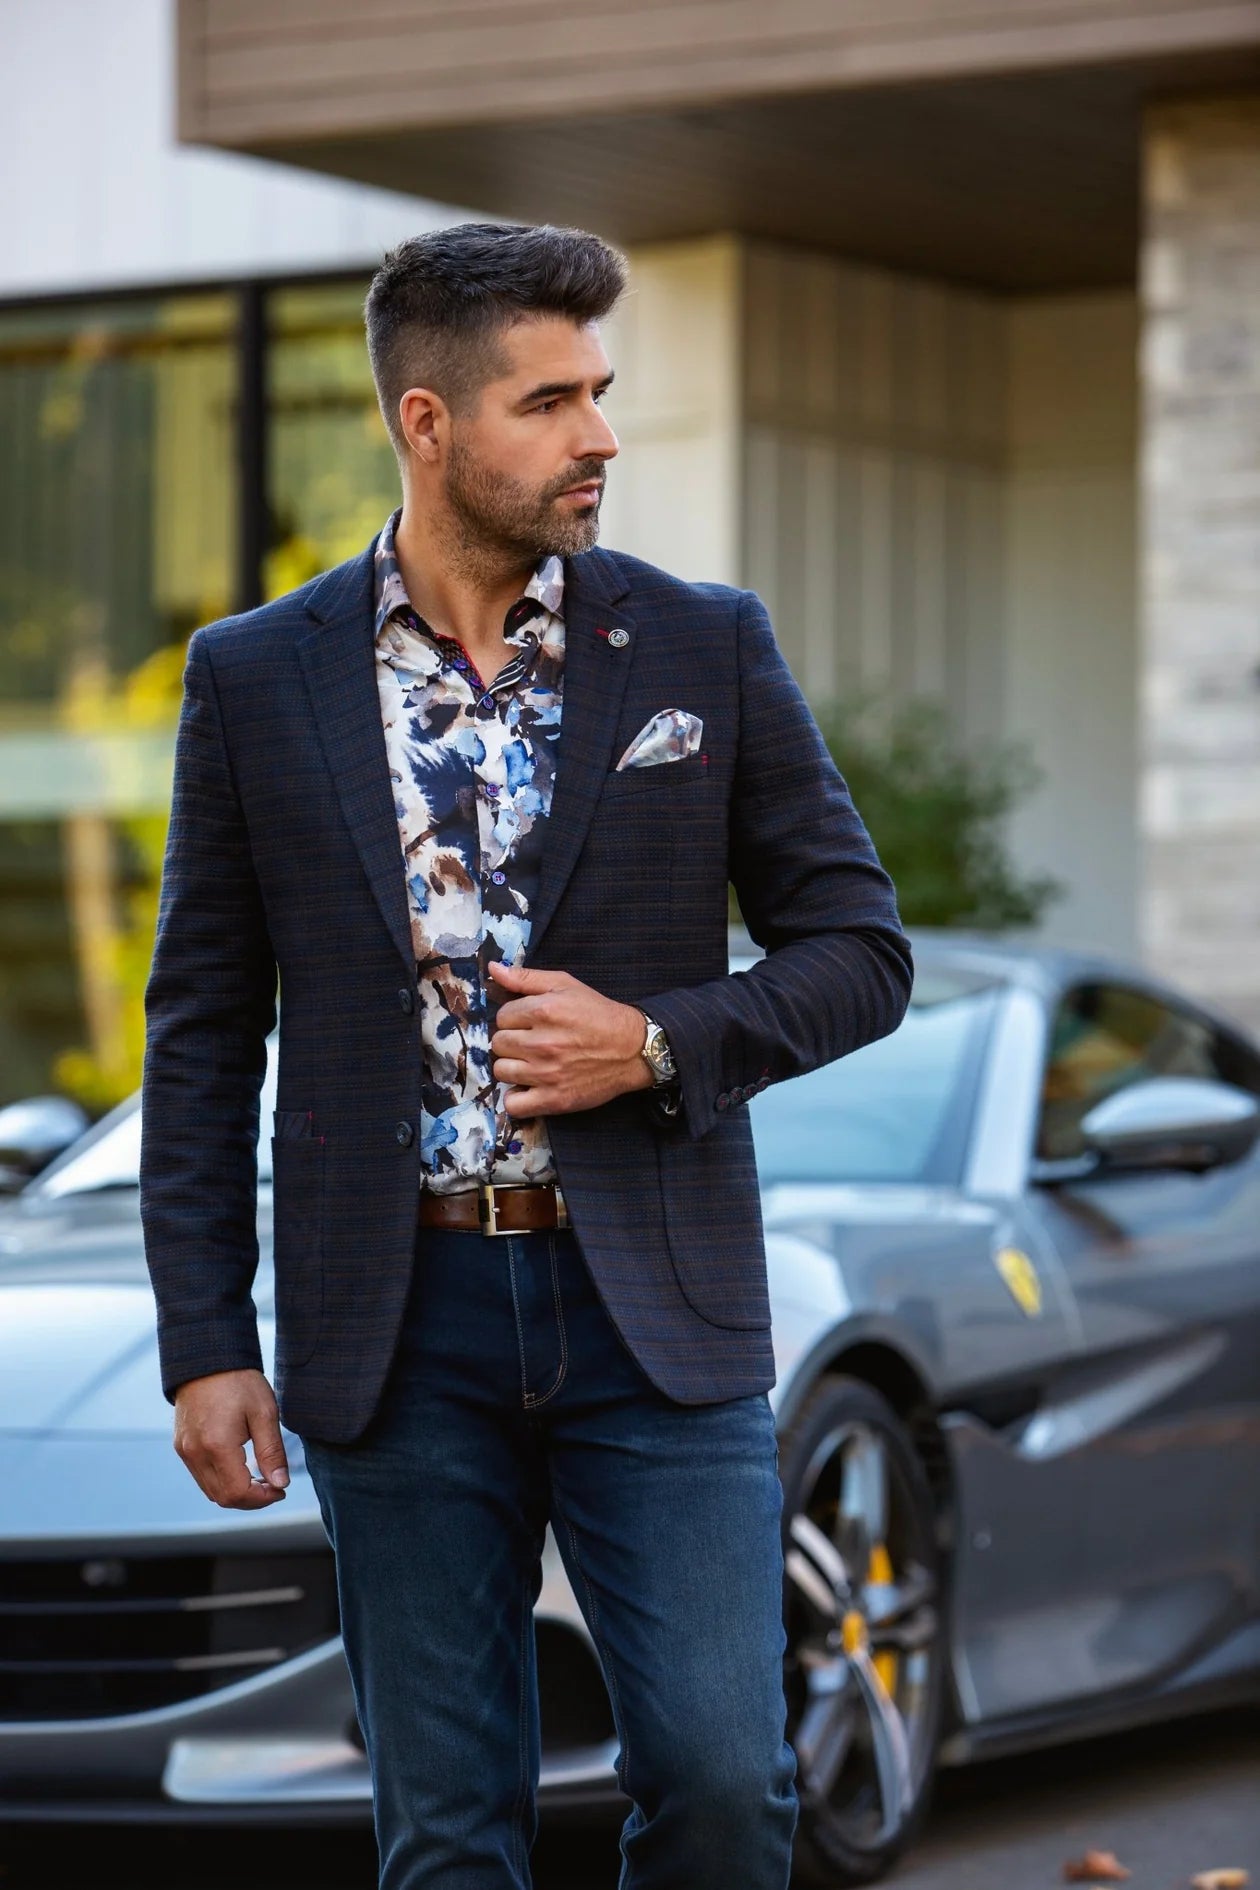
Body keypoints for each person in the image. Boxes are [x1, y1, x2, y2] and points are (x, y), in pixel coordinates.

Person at [139, 221, 912, 1890]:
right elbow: (202, 1032)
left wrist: (659, 1038)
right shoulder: (257, 679)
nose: (599, 437)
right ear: (428, 423)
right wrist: (204, 1335)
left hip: (657, 1315)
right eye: (550, 401)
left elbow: (862, 952)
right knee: (449, 1829)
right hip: (392, 1327)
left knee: (722, 1781)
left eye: (603, 392)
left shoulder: (703, 645)